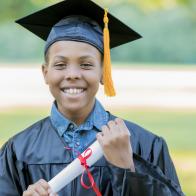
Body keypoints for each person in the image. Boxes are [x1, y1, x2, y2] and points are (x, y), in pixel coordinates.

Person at [0, 0, 184, 195]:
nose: (72, 74)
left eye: (86, 65)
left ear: (104, 73)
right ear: (45, 73)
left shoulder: (144, 145)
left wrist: (128, 171)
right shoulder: (18, 151)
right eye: (60, 65)